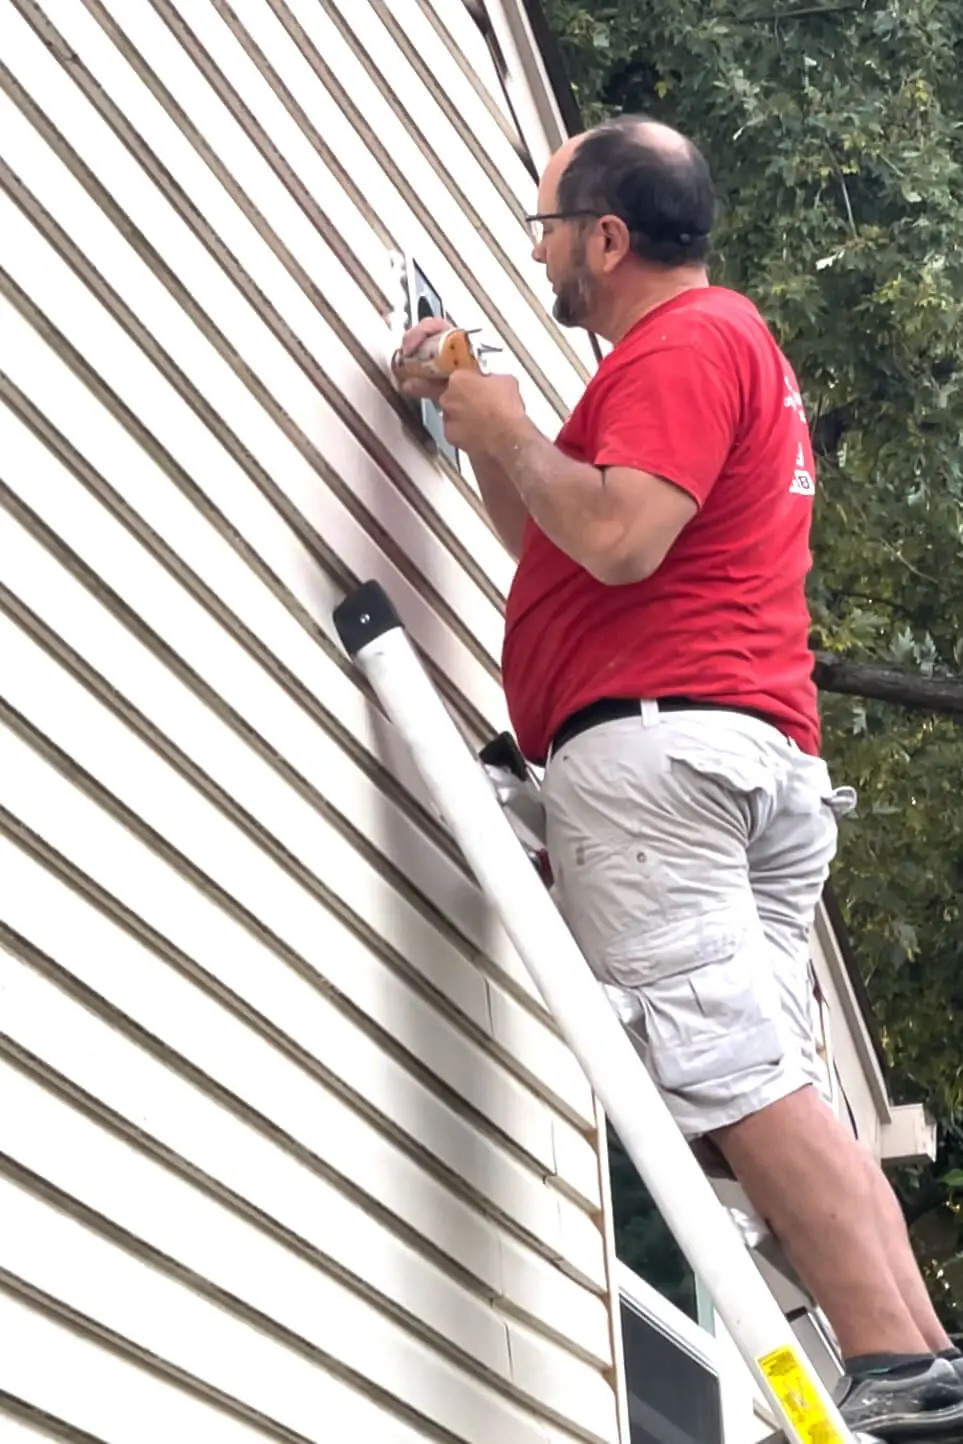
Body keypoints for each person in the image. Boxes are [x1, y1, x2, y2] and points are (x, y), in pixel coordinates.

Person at [397, 115, 963, 1440]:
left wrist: (510, 420)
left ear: (604, 235)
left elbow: (613, 535)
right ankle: (924, 1355)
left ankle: (891, 1362)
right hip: (739, 752)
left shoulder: (688, 341)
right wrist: (489, 430)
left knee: (724, 1062)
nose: (537, 251)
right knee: (774, 1080)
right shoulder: (704, 365)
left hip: (658, 756)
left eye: (545, 226)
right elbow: (559, 531)